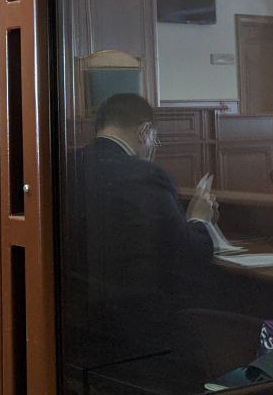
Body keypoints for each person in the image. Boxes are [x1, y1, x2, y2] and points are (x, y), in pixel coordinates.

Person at [63, 93, 217, 360]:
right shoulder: (147, 174)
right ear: (144, 131)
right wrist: (199, 220)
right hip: (139, 321)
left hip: (81, 314)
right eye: (154, 138)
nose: (153, 146)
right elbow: (187, 255)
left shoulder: (68, 166)